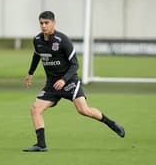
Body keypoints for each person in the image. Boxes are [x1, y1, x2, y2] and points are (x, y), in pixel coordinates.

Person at [23, 11, 125, 152]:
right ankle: (41, 145)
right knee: (35, 109)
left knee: (84, 110)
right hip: (51, 84)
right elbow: (37, 55)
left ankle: (111, 124)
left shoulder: (63, 40)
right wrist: (30, 73)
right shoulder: (37, 40)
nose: (44, 26)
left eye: (47, 23)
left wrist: (64, 80)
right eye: (41, 23)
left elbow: (75, 64)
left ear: (54, 23)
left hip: (69, 82)